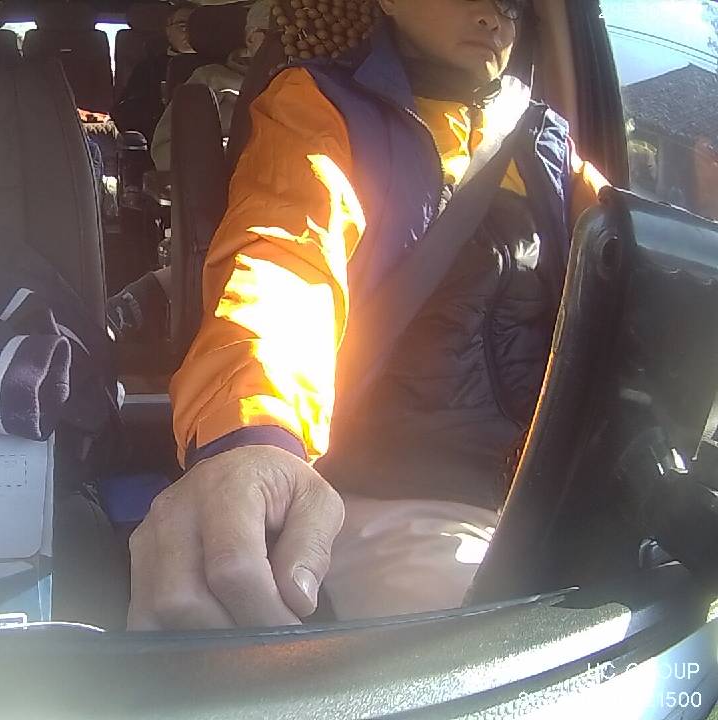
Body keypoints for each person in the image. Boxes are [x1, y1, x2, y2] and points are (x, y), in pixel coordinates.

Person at [129, 0, 609, 629]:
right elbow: (286, 260)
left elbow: (637, 270)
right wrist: (254, 438)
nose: (494, 16)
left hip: (546, 491)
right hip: (391, 492)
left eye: (514, 4)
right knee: (481, 636)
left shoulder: (549, 142)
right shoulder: (322, 107)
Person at [151, 0, 272, 171]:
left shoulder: (306, 81)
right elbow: (164, 153)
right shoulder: (210, 79)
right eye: (281, 36)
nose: (293, 44)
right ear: (252, 38)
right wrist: (231, 151)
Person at [111, 2, 196, 143]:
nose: (189, 32)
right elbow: (125, 113)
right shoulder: (148, 68)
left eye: (196, 26)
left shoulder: (219, 66)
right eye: (182, 26)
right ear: (168, 31)